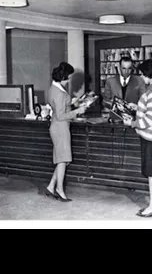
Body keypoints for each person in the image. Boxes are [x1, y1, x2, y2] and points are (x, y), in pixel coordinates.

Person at [123, 59, 152, 218]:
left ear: (148, 75)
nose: (141, 78)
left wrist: (132, 123)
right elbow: (151, 111)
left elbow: (150, 120)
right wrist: (138, 107)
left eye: (142, 74)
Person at [45, 62, 87, 202]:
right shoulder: (60, 93)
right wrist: (77, 111)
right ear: (63, 77)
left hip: (57, 127)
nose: (69, 81)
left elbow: (59, 107)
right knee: (63, 160)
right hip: (61, 127)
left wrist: (72, 103)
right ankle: (59, 190)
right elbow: (61, 115)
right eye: (68, 78)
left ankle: (51, 187)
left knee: (62, 159)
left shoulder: (53, 88)